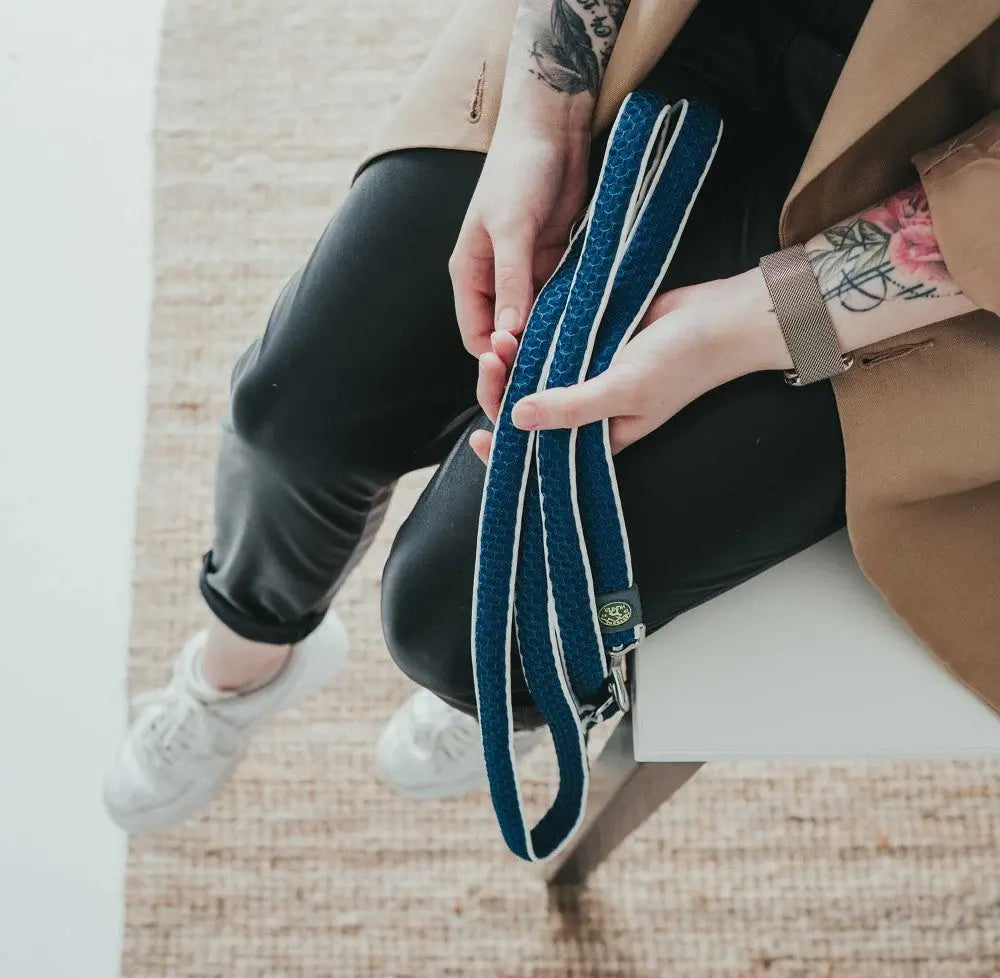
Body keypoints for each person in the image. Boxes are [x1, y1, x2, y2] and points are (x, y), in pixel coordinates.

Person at [103, 0, 998, 834]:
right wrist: (543, 115)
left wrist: (759, 320)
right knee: (293, 415)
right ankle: (244, 655)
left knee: (468, 623)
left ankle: (514, 691)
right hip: (666, 31)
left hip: (938, 175)